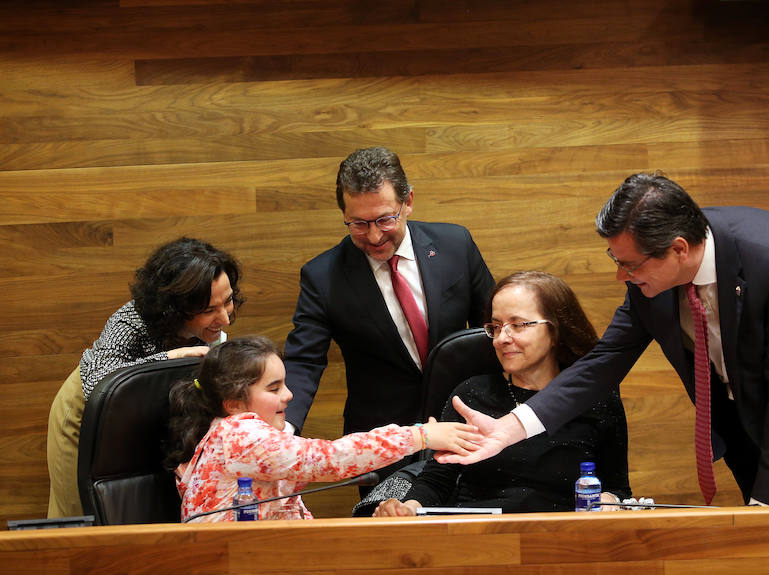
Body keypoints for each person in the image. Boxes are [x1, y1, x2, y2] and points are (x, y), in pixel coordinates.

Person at [437, 173, 769, 506]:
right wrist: (512, 427)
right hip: (752, 430)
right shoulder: (647, 287)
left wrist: (767, 505)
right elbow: (603, 363)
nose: (622, 276)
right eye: (614, 259)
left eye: (630, 265)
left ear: (678, 249)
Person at [283, 146, 495, 485]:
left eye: (385, 219)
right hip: (382, 443)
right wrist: (282, 431)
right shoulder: (322, 277)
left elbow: (494, 330)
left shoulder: (456, 244)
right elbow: (304, 361)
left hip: (465, 427)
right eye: (358, 224)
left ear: (408, 201)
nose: (374, 236)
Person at [372, 271, 631, 516]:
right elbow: (437, 481)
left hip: (563, 539)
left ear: (555, 331)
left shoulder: (596, 400)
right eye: (496, 327)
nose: (501, 338)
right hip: (478, 537)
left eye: (517, 325)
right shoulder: (470, 396)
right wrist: (408, 508)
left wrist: (610, 499)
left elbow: (618, 488)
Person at [166, 336, 482, 522]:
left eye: (285, 384)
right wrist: (419, 436)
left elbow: (293, 515)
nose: (288, 396)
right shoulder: (239, 436)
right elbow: (329, 459)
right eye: (274, 388)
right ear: (233, 403)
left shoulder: (249, 437)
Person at [46, 236, 243, 518]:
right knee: (80, 512)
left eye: (228, 301)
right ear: (175, 308)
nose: (224, 318)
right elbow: (98, 380)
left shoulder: (212, 325)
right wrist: (166, 360)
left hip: (143, 412)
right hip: (86, 412)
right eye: (209, 310)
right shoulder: (130, 320)